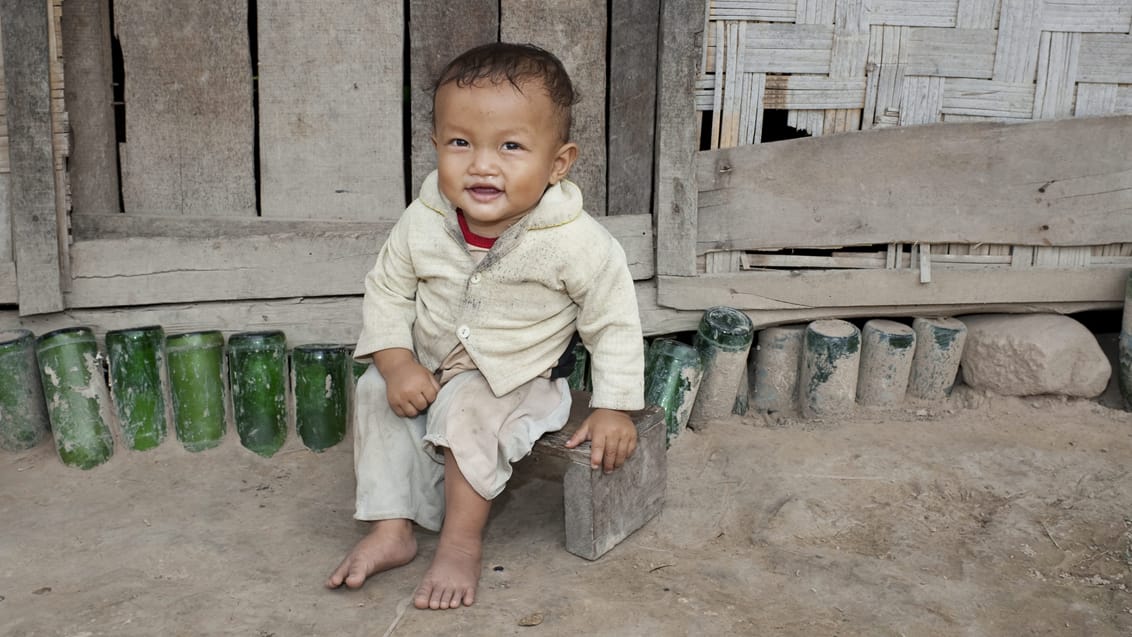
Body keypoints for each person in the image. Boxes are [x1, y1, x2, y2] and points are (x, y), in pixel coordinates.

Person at [326, 42, 645, 611]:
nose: (482, 163)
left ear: (558, 163)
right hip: (430, 363)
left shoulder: (576, 242)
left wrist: (616, 404)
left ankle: (459, 543)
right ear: (435, 148)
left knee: (467, 411)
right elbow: (388, 288)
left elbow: (614, 321)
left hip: (515, 380)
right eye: (460, 142)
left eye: (511, 146)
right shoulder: (422, 219)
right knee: (375, 390)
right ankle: (391, 527)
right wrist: (396, 361)